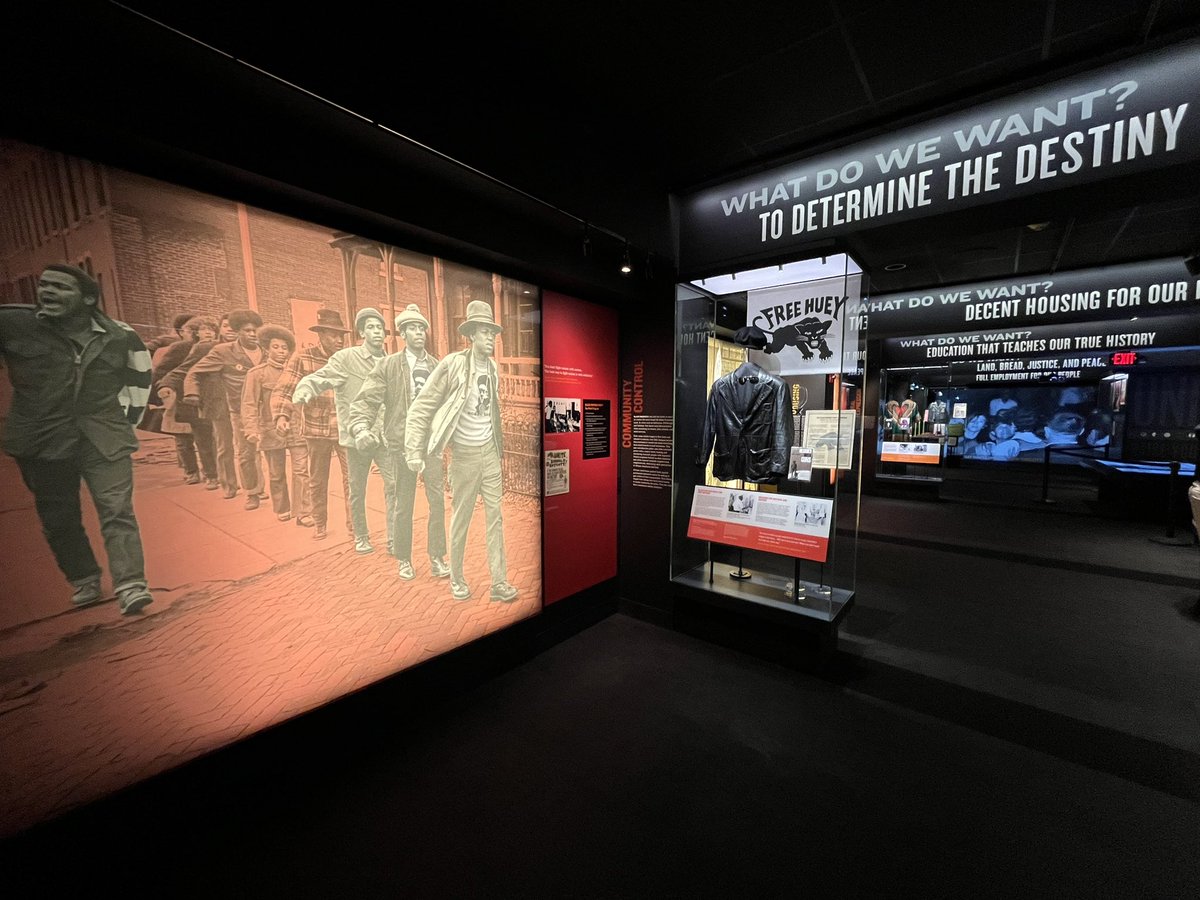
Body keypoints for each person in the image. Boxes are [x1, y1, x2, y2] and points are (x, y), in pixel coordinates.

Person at [0, 264, 154, 615]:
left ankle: (131, 584)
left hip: (104, 437)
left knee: (117, 510)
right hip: (42, 440)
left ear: (87, 298)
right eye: (44, 285)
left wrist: (125, 424)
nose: (47, 292)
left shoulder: (119, 335)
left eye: (60, 287)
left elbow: (139, 379)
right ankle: (83, 577)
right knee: (59, 516)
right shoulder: (11, 324)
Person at [405, 300, 518, 603]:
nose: (490, 338)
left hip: (489, 454)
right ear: (471, 335)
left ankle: (499, 582)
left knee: (495, 518)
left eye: (492, 333)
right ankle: (456, 577)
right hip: (464, 455)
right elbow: (423, 405)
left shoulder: (492, 368)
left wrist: (498, 450)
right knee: (462, 518)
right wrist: (414, 449)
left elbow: (491, 410)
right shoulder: (453, 364)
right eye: (484, 333)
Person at [348, 304, 448, 580]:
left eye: (422, 328)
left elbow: (448, 403)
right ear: (403, 333)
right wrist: (359, 427)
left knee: (437, 502)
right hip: (402, 446)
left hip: (431, 446)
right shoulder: (389, 365)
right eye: (412, 328)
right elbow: (366, 400)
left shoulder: (436, 366)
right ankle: (404, 558)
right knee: (403, 503)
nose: (419, 333)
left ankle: (437, 556)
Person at [292, 307, 395, 555]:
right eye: (370, 327)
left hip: (383, 436)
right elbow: (320, 377)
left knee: (393, 485)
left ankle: (393, 537)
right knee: (356, 488)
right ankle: (361, 535)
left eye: (380, 327)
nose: (377, 332)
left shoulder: (391, 362)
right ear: (361, 332)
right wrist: (305, 388)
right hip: (356, 437)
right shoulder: (345, 359)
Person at [271, 309, 353, 539]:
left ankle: (354, 526)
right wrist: (281, 416)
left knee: (352, 479)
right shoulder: (303, 358)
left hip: (344, 429)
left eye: (341, 335)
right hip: (316, 431)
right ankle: (320, 523)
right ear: (320, 335)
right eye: (332, 335)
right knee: (318, 480)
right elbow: (284, 389)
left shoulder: (347, 359)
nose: (338, 340)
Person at [183, 309, 266, 507]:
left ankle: (262, 487)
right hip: (240, 410)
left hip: (266, 409)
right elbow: (194, 372)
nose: (253, 334)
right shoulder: (223, 352)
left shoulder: (267, 350)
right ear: (237, 331)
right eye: (247, 330)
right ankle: (252, 493)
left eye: (255, 330)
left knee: (266, 451)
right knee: (246, 452)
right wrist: (192, 393)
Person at [241, 325, 310, 523]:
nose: (281, 352)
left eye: (284, 348)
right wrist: (251, 430)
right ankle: (282, 508)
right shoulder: (257, 374)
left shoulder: (298, 373)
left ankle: (303, 512)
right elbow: (249, 404)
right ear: (266, 349)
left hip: (296, 427)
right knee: (276, 473)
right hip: (271, 430)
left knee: (301, 470)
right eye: (276, 347)